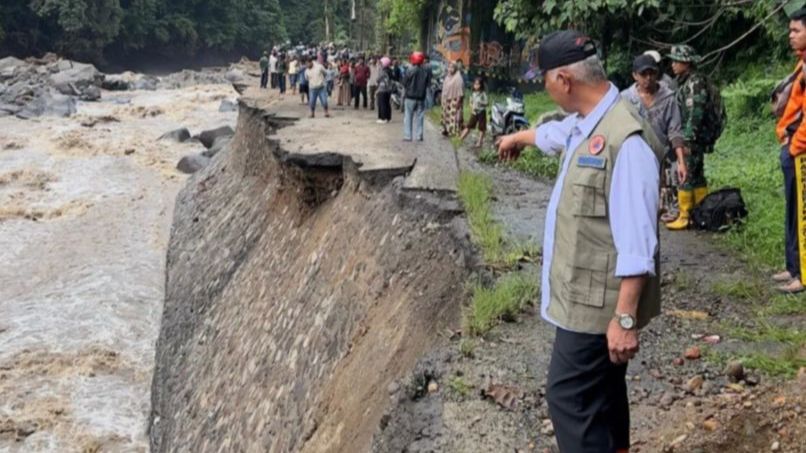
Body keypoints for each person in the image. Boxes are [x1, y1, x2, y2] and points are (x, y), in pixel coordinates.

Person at [496, 30, 662, 453]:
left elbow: (639, 243)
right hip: (585, 300)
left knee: (569, 398)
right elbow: (556, 136)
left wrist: (624, 319)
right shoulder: (588, 122)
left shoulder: (626, 143)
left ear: (564, 80)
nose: (545, 89)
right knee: (603, 395)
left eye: (546, 80)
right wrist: (519, 137)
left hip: (595, 310)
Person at [621, 54, 688, 220]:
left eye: (652, 73)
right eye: (644, 74)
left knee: (661, 206)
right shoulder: (626, 99)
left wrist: (681, 162)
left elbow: (675, 130)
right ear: (635, 76)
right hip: (636, 156)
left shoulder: (668, 98)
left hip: (662, 155)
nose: (648, 78)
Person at [773, 6, 806, 294]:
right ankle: (793, 266)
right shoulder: (801, 64)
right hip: (792, 147)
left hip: (799, 151)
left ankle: (802, 274)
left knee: (801, 211)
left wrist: (794, 146)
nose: (791, 36)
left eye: (796, 31)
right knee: (792, 209)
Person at [665, 45, 710, 230]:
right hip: (694, 137)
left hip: (691, 138)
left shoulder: (694, 83)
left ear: (687, 62)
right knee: (697, 175)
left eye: (677, 61)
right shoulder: (686, 81)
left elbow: (695, 113)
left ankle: (685, 215)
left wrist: (687, 140)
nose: (673, 65)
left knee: (686, 175)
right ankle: (701, 213)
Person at [402, 51, 432, 141]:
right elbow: (428, 84)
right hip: (421, 98)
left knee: (408, 116)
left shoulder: (410, 70)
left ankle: (408, 136)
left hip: (410, 97)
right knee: (420, 117)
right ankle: (419, 136)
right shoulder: (425, 71)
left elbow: (404, 82)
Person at [459, 77, 488, 148]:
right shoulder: (473, 93)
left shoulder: (483, 94)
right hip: (474, 112)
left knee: (482, 128)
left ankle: (479, 142)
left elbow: (487, 103)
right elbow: (470, 101)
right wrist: (471, 106)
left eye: (478, 84)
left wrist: (480, 102)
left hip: (481, 112)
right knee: (469, 125)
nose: (476, 86)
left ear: (481, 85)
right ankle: (460, 138)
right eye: (475, 84)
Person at [440, 61, 465, 136]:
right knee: (446, 115)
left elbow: (460, 91)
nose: (450, 69)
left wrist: (458, 101)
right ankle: (446, 129)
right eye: (449, 67)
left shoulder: (458, 78)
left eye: (452, 67)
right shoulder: (448, 76)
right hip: (446, 99)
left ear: (455, 68)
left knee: (454, 116)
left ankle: (453, 131)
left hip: (454, 100)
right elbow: (445, 88)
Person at [376, 56, 394, 124]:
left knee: (382, 103)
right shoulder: (390, 70)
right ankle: (388, 117)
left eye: (381, 63)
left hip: (382, 89)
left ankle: (383, 118)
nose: (380, 64)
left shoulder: (383, 71)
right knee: (387, 104)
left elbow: (378, 79)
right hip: (388, 89)